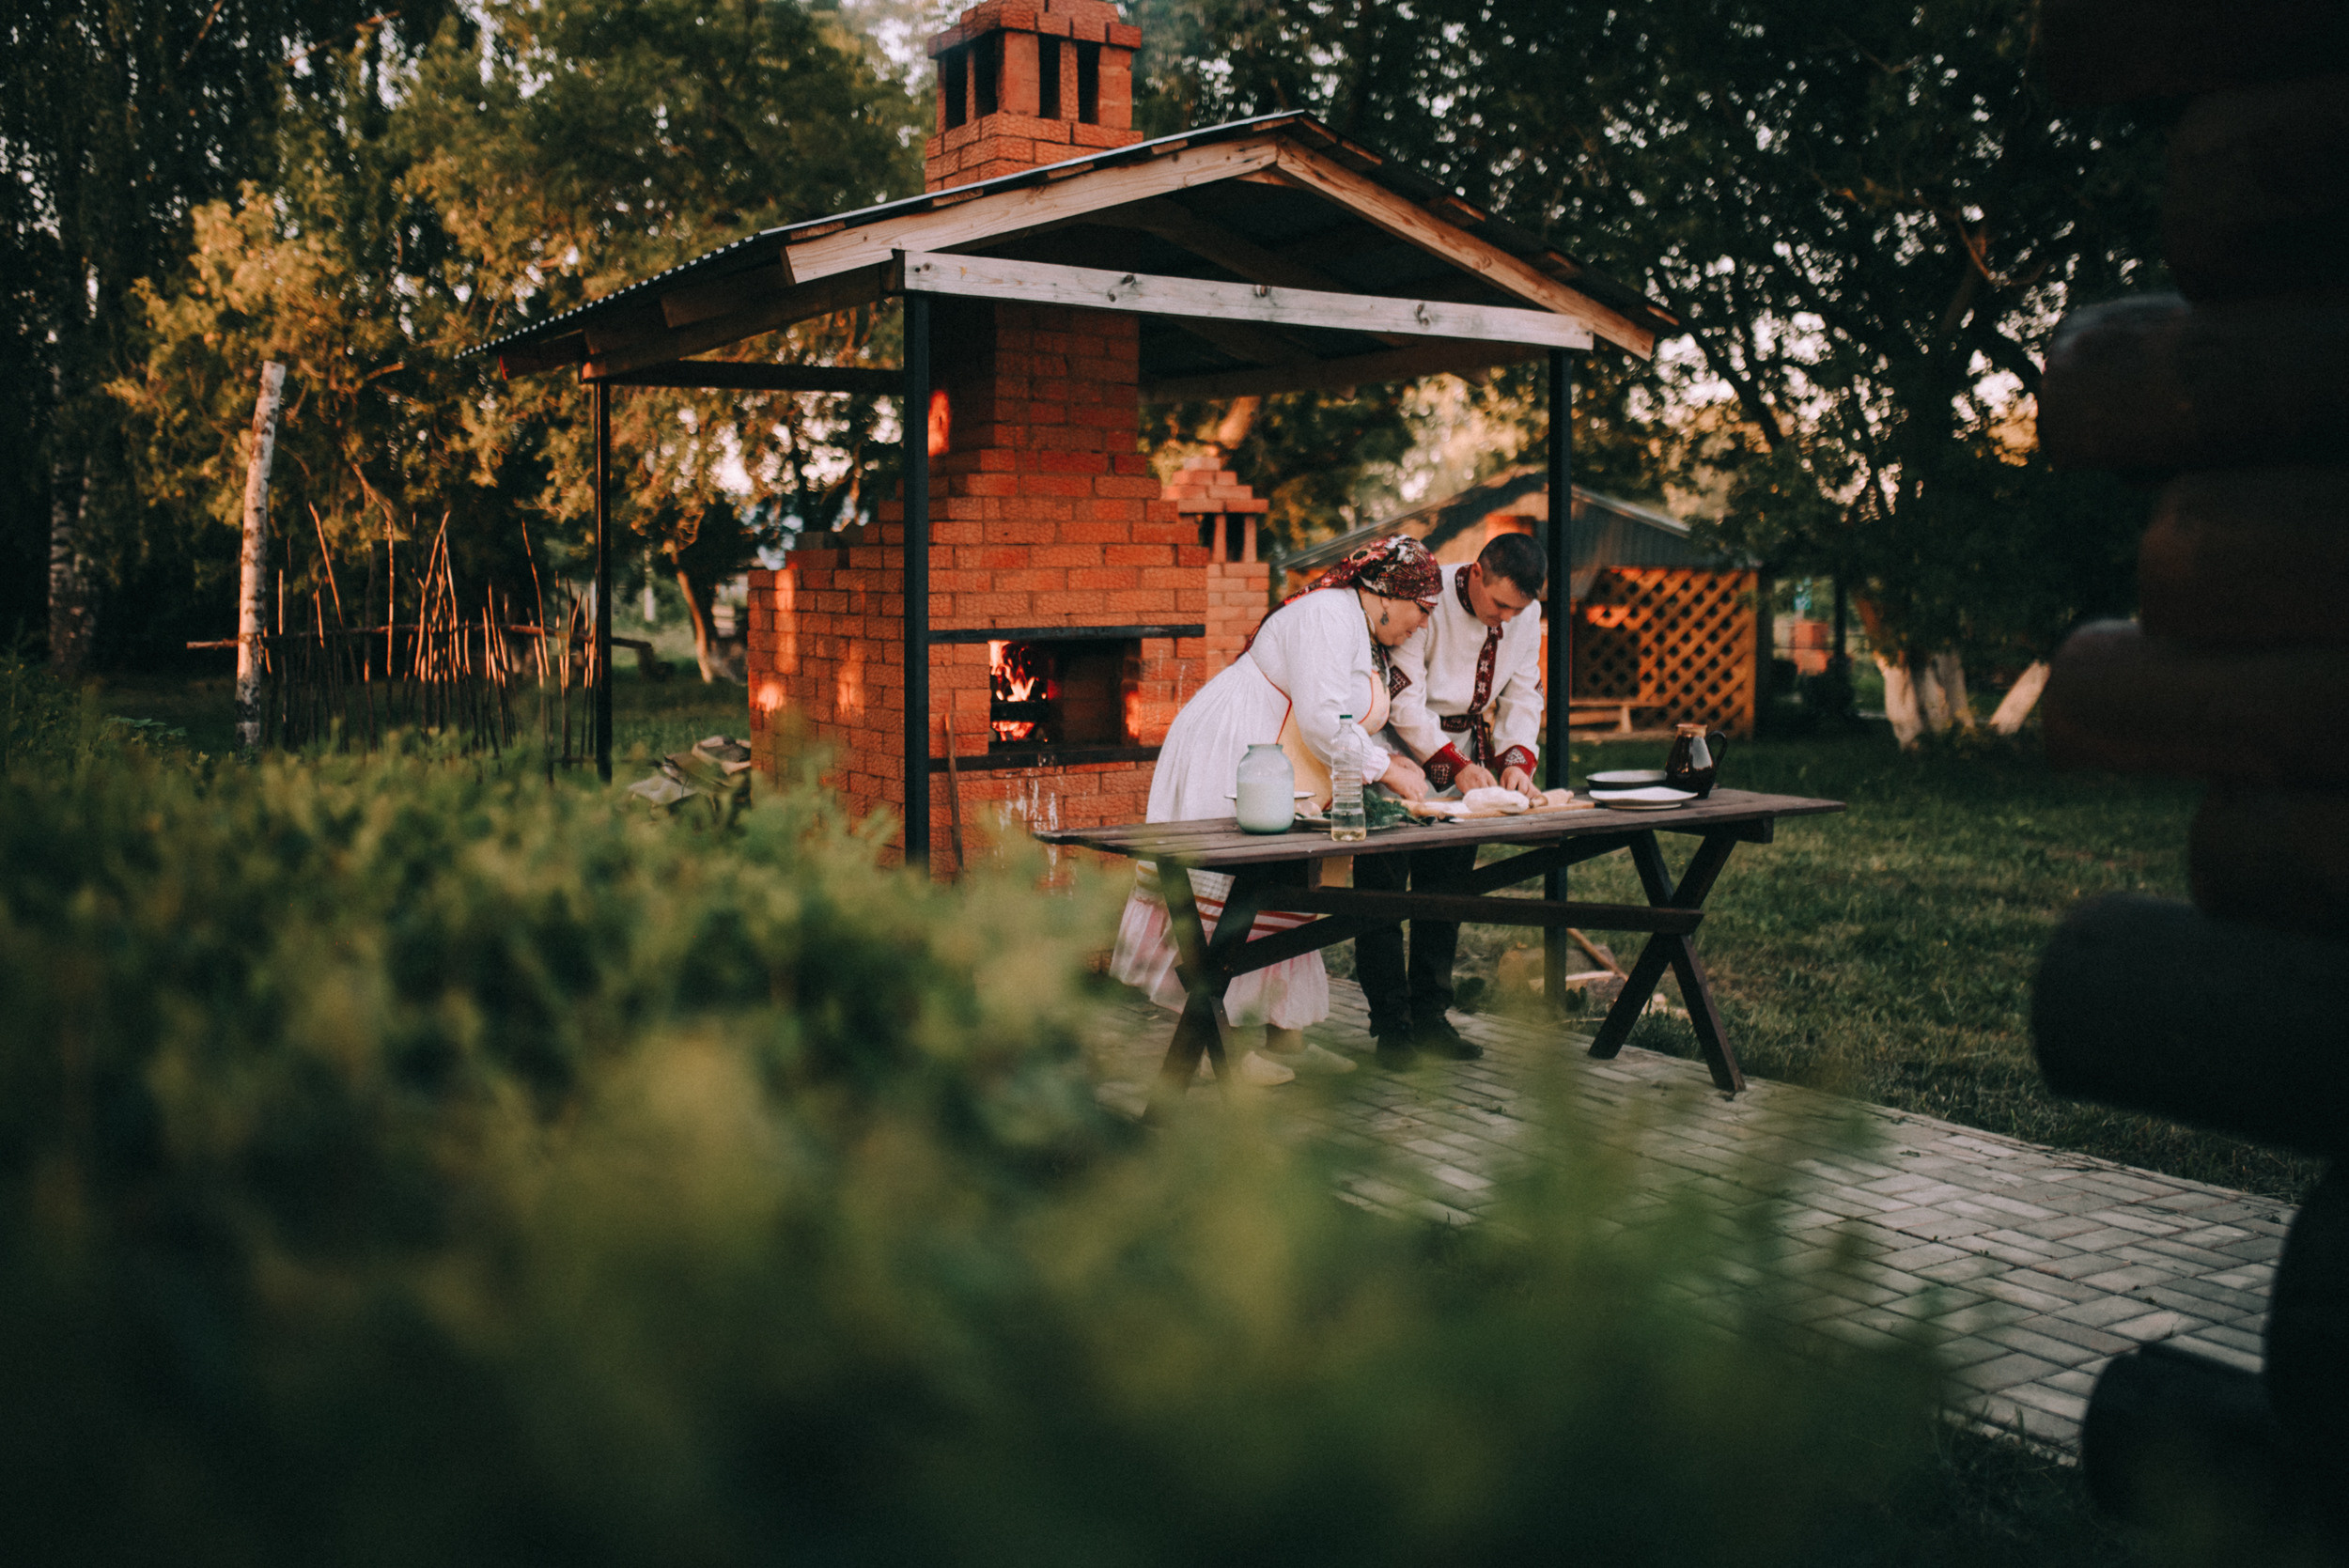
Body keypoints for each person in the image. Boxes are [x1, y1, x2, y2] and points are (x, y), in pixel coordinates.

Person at [1111, 536, 1439, 1085]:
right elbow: (1321, 719)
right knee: (1240, 895)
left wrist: (1383, 763)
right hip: (1241, 747)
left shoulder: (1358, 627)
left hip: (1284, 761)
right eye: (1421, 610)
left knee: (1285, 900)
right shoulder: (1328, 617)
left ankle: (1286, 1042)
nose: (1423, 624)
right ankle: (1230, 1055)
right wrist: (1385, 768)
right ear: (1387, 591)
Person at [1357, 531, 1548, 1067]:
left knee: (1445, 892)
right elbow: (1404, 700)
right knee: (1384, 893)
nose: (1506, 619)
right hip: (1393, 753)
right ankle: (1391, 1027)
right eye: (1500, 605)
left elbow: (1523, 694)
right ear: (1478, 572)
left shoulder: (1522, 616)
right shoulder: (1429, 595)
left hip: (1468, 752)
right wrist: (1456, 769)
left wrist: (1514, 763)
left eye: (1519, 609)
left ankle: (1431, 1016)